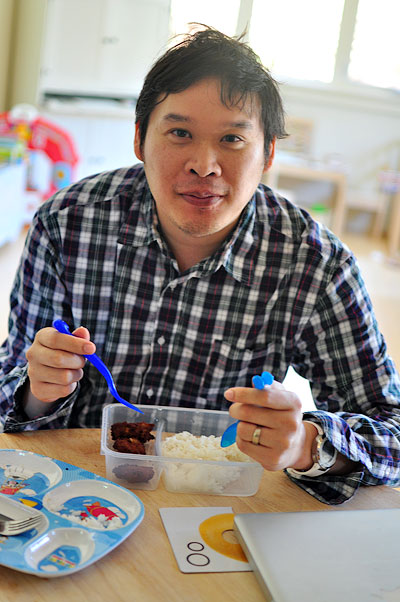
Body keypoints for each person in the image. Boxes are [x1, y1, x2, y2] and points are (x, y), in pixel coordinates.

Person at [0, 27, 399, 505]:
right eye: (180, 133)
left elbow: (391, 429)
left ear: (268, 153)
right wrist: (38, 389)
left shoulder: (315, 264)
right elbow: (10, 385)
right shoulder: (67, 223)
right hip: (76, 490)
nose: (204, 165)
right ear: (139, 139)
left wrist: (306, 444)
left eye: (232, 138)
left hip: (215, 502)